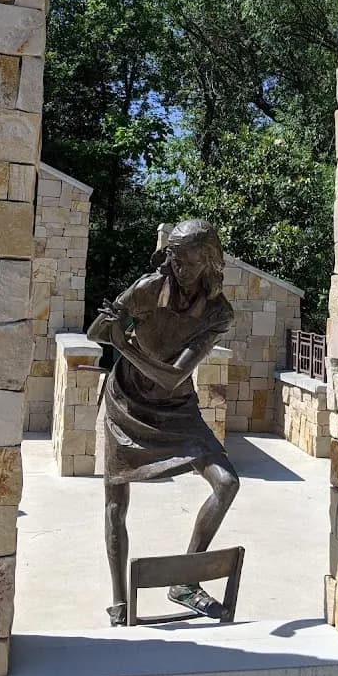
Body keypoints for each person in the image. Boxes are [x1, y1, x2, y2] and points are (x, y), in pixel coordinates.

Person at [87, 219, 240, 626]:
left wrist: (124, 346)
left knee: (227, 483)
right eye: (173, 259)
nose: (178, 269)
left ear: (208, 262)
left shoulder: (218, 313)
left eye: (187, 262)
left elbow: (173, 377)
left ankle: (186, 582)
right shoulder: (149, 288)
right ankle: (119, 602)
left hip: (176, 405)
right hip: (127, 402)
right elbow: (97, 332)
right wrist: (113, 324)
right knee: (116, 503)